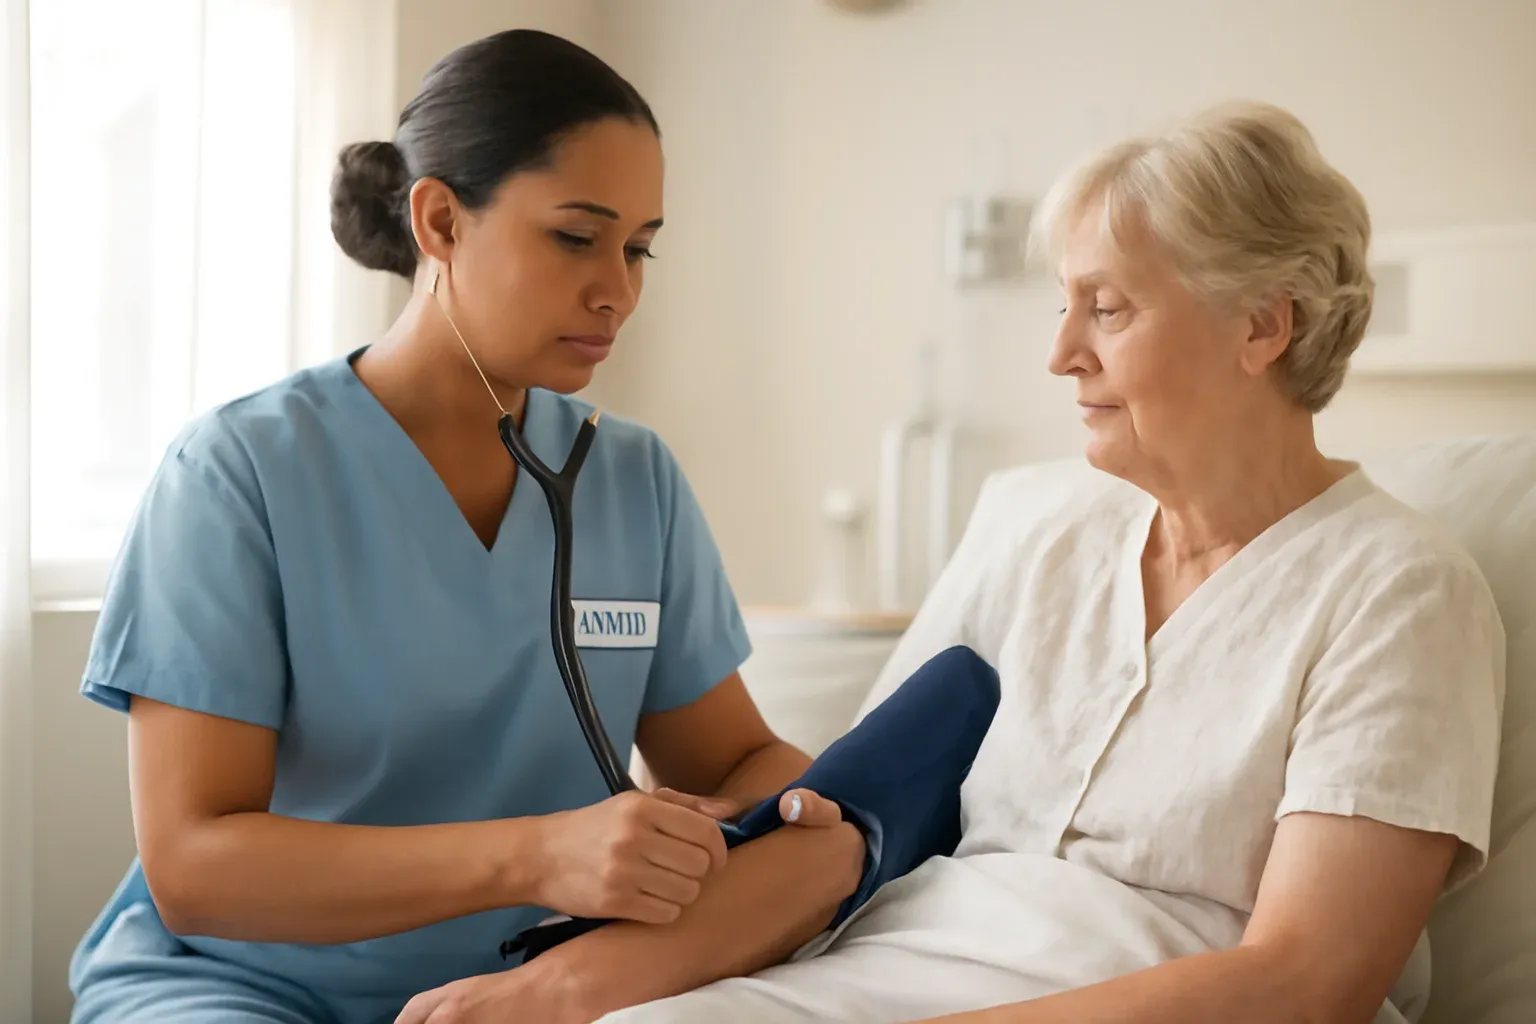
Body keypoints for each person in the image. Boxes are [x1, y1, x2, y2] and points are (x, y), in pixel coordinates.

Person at [429, 101, 1506, 1024]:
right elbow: (845, 829)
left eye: (1109, 307)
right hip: (884, 970)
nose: (1061, 352)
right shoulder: (1041, 531)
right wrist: (581, 984)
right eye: (1063, 302)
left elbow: (1307, 980)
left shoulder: (1396, 590)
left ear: (1264, 324)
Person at [66, 28, 865, 1024]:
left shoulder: (630, 479)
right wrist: (544, 852)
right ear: (440, 220)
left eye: (640, 246)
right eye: (577, 236)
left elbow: (739, 759)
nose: (618, 288)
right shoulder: (239, 472)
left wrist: (764, 815)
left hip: (523, 988)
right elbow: (193, 865)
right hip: (241, 986)